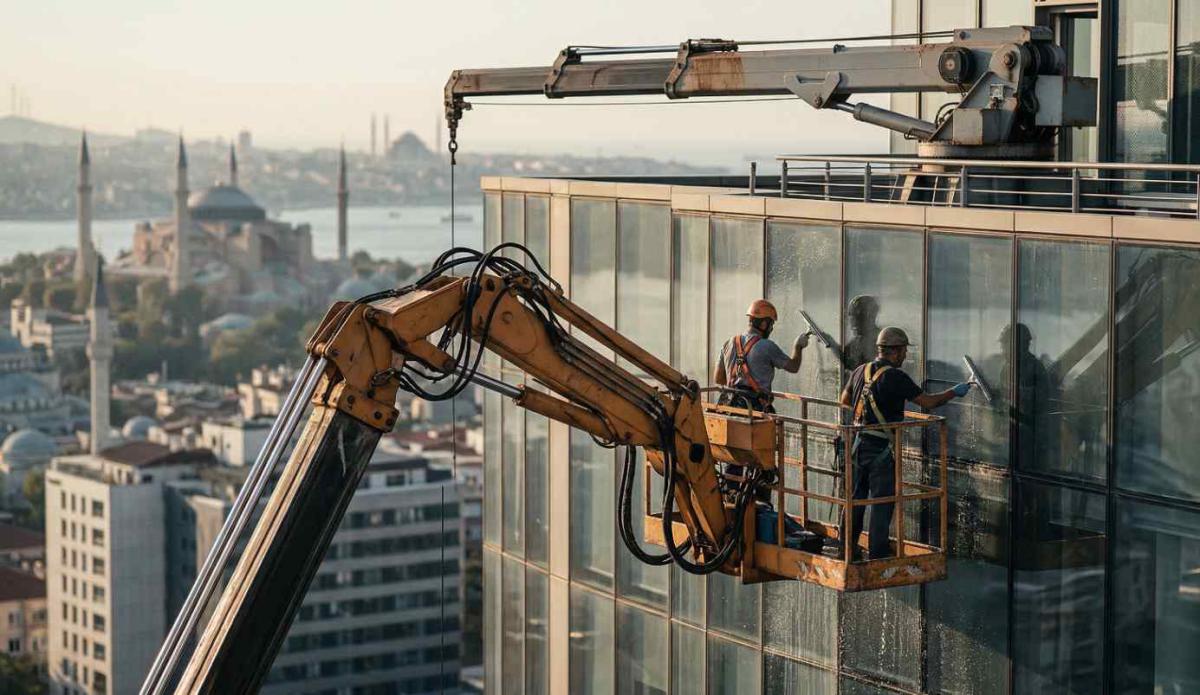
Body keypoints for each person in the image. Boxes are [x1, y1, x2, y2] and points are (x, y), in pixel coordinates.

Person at [839, 326, 970, 560]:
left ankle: (846, 547)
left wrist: (867, 412)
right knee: (883, 501)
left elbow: (845, 399)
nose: (905, 356)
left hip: (857, 444)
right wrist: (954, 392)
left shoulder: (861, 370)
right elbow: (928, 402)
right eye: (904, 352)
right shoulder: (895, 376)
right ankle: (878, 552)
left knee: (854, 498)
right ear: (896, 351)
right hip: (880, 449)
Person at [713, 299, 809, 412]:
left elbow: (718, 379)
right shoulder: (767, 346)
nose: (772, 329)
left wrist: (739, 383)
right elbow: (793, 367)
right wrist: (798, 346)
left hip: (730, 408)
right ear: (764, 324)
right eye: (771, 324)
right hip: (755, 413)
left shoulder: (728, 343)